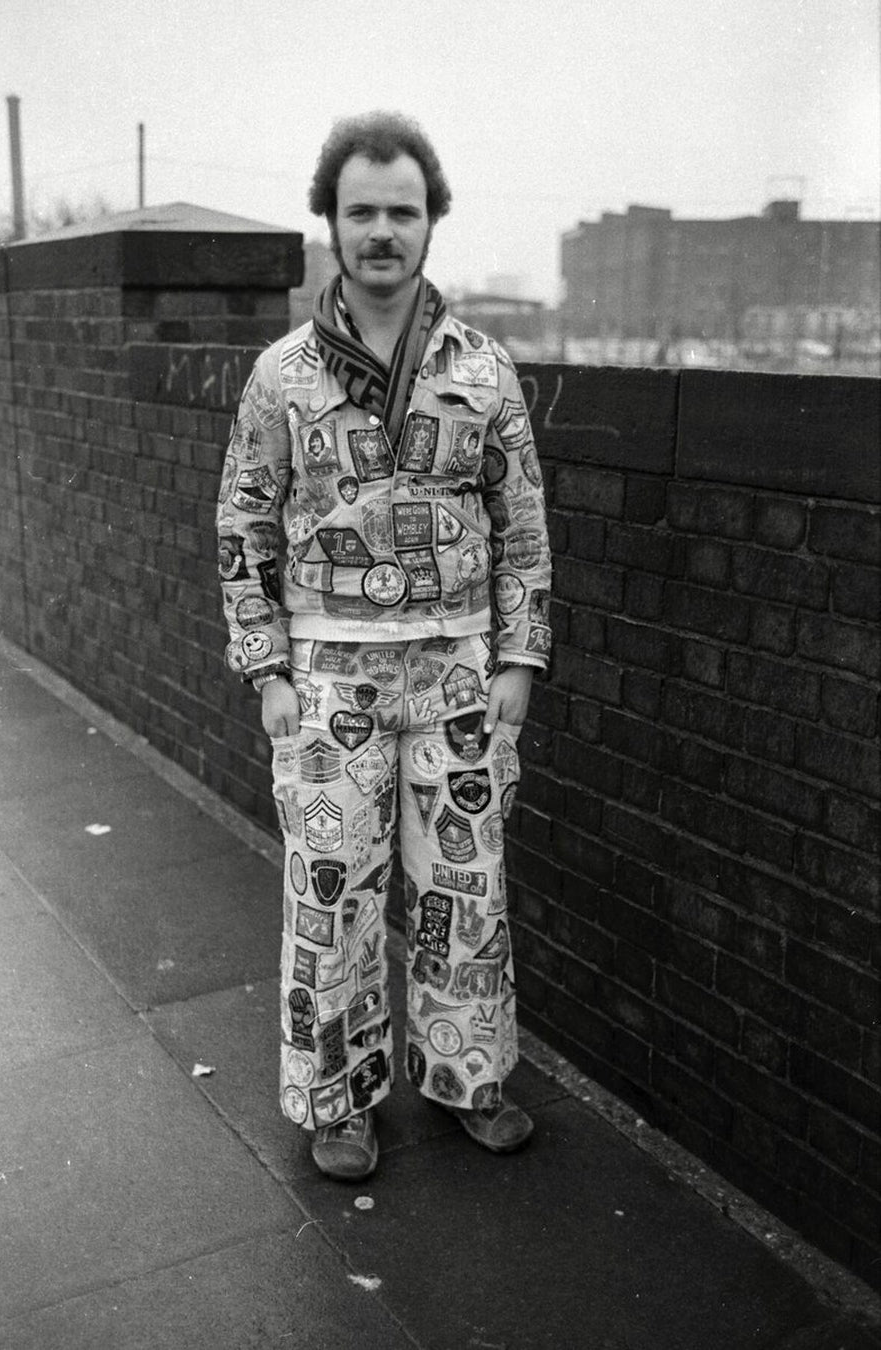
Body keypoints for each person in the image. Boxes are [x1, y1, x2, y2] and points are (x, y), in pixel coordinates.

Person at [217, 111, 551, 1181]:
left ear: (430, 222)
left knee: (466, 889)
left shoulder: (487, 373)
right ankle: (339, 1097)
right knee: (331, 892)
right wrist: (266, 666)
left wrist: (517, 664)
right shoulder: (281, 378)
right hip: (327, 678)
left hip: (457, 671)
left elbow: (526, 529)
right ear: (331, 221)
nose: (382, 231)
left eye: (402, 211)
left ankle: (466, 1076)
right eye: (362, 211)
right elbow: (243, 522)